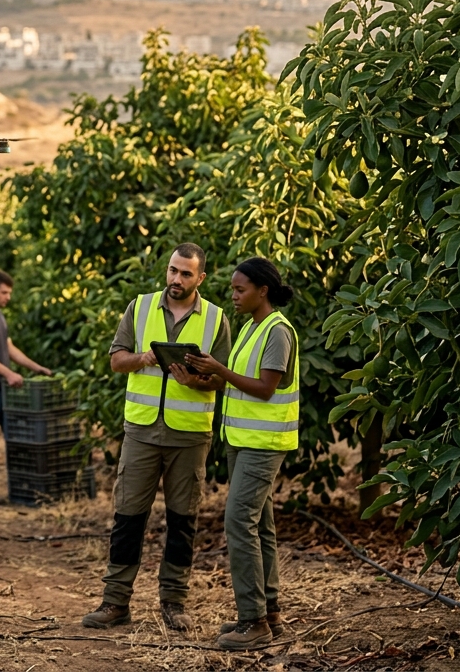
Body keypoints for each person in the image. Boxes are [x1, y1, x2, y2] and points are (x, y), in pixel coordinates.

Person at [83, 243, 232, 633]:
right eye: (172, 271)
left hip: (190, 436)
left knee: (183, 520)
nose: (176, 279)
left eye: (185, 274)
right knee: (128, 516)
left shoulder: (216, 319)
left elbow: (222, 378)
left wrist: (196, 380)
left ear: (201, 278)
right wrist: (147, 358)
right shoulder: (141, 306)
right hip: (142, 431)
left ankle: (174, 602)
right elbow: (116, 360)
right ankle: (115, 602)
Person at [184, 257, 298, 650]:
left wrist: (221, 368)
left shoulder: (277, 331)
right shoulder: (253, 328)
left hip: (264, 444)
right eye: (232, 289)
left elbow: (266, 388)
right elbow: (237, 384)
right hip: (243, 441)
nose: (232, 295)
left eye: (239, 289)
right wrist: (202, 376)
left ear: (262, 291)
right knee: (260, 525)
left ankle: (253, 622)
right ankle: (270, 614)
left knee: (238, 522)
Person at [0, 269, 51, 503]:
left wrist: (37, 368)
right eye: (4, 292)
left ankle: (20, 484)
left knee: (14, 436)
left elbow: (9, 348)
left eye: (9, 293)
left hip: (2, 388)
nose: (8, 297)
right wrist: (9, 374)